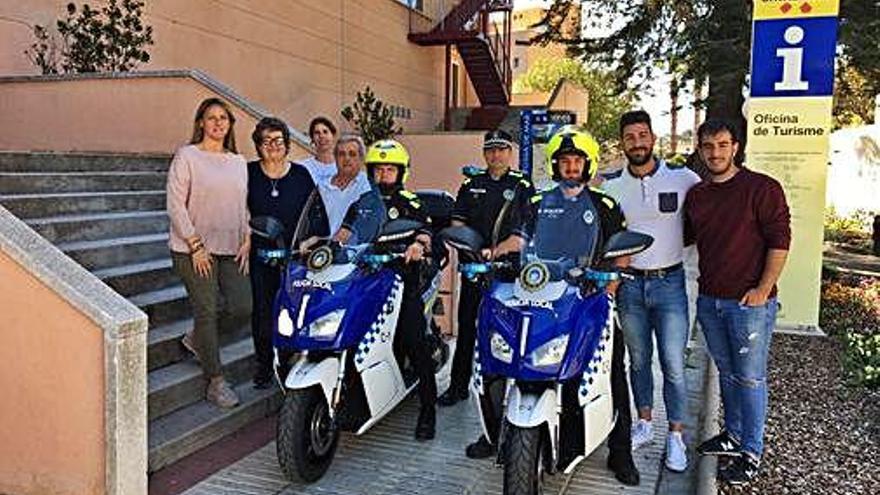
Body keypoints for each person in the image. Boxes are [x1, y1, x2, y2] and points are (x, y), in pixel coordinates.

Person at [685, 119, 791, 485]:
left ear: (736, 147)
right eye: (708, 146)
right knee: (728, 372)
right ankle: (732, 434)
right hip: (711, 301)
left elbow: (780, 240)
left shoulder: (762, 189)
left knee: (749, 378)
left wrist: (764, 288)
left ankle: (750, 450)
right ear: (700, 150)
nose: (715, 152)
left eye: (722, 145)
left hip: (749, 305)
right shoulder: (697, 196)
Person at [534, 128, 641, 486]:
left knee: (612, 368)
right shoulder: (538, 203)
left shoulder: (605, 205)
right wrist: (497, 255)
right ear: (555, 166)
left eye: (576, 161)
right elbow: (519, 238)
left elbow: (622, 251)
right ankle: (503, 435)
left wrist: (609, 286)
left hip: (591, 299)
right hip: (544, 296)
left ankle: (621, 452)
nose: (570, 167)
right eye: (564, 162)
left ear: (587, 165)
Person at [601, 110, 701, 472]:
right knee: (638, 361)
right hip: (630, 286)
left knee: (673, 365)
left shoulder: (684, 178)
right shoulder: (611, 188)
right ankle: (644, 423)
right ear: (623, 143)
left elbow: (710, 215)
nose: (638, 143)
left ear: (653, 138)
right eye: (630, 137)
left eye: (643, 135)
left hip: (670, 284)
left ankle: (675, 436)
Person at [167, 97, 251, 409]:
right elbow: (175, 204)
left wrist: (248, 235)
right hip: (193, 250)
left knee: (244, 307)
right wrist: (195, 244)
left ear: (230, 125)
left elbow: (242, 203)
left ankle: (198, 339)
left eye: (223, 118)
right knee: (207, 310)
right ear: (201, 122)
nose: (217, 123)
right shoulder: (187, 156)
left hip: (232, 248)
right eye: (211, 117)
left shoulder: (238, 161)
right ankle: (215, 381)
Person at [363, 139, 438, 440]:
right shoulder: (364, 203)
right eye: (378, 170)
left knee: (413, 338)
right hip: (365, 278)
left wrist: (419, 245)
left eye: (389, 170)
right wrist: (326, 244)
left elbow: (426, 231)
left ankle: (428, 409)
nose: (384, 175)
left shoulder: (411, 202)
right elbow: (346, 231)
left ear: (401, 172)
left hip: (400, 278)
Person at [246, 117, 317, 389]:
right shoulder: (249, 173)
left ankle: (288, 360)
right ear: (258, 145)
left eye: (278, 140)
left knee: (291, 308)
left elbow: (316, 213)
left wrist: (310, 239)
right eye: (266, 141)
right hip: (260, 256)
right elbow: (239, 207)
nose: (272, 146)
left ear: (287, 144)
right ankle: (264, 364)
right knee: (262, 311)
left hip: (294, 257)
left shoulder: (301, 175)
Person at [298, 116, 338, 186]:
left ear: (333, 136)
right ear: (312, 138)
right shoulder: (304, 167)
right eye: (317, 133)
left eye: (325, 132)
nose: (321, 136)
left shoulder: (344, 166)